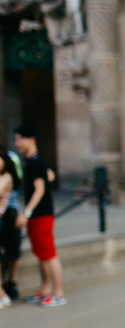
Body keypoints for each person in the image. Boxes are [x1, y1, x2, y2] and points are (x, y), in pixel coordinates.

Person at [14, 125, 66, 306]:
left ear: (31, 140)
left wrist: (26, 213)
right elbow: (47, 177)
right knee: (41, 253)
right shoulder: (32, 161)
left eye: (21, 139)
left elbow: (40, 189)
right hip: (37, 216)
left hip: (41, 214)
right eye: (17, 139)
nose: (17, 143)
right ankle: (45, 289)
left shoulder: (35, 161)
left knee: (49, 254)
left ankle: (58, 293)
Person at [1, 149, 23, 299]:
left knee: (12, 248)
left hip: (9, 212)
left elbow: (19, 178)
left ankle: (11, 282)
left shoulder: (11, 157)